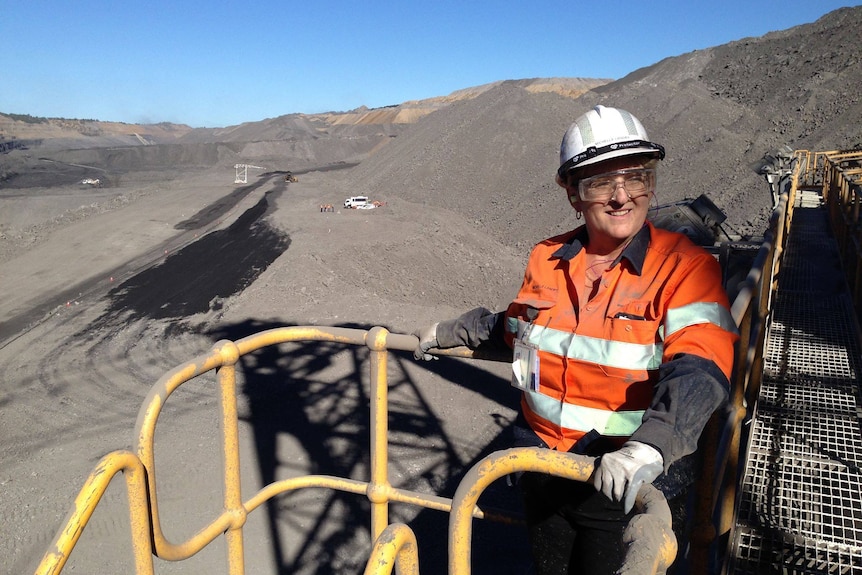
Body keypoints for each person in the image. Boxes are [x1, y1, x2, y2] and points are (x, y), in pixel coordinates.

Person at [413, 105, 738, 574]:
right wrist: (452, 332)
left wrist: (650, 447)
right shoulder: (547, 258)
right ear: (573, 194)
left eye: (636, 177)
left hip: (621, 481)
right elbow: (517, 327)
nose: (622, 197)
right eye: (602, 182)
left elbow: (702, 362)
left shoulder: (686, 268)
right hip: (543, 469)